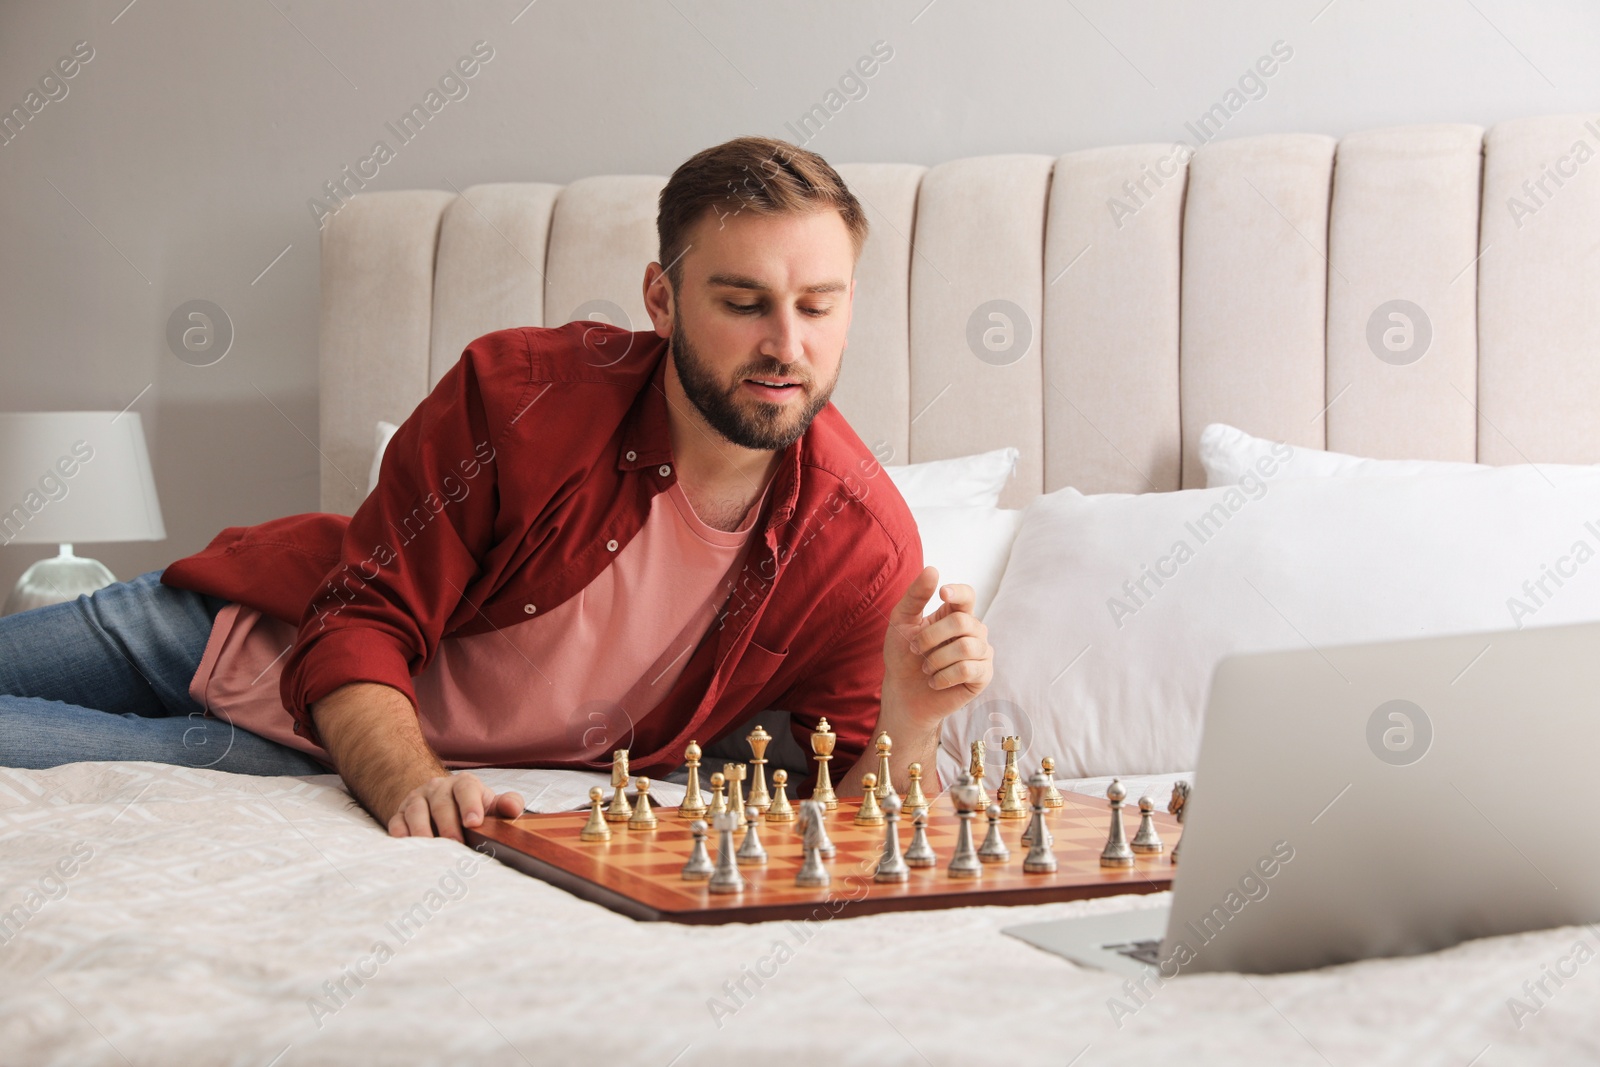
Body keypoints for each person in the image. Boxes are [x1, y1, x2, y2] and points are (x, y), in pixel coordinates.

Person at [0, 136, 994, 840]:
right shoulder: (522, 393)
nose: (787, 344)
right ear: (661, 298)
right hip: (227, 626)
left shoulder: (858, 542)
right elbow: (362, 616)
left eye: (818, 306)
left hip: (314, 748)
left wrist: (913, 712)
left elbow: (859, 812)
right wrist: (414, 780)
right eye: (743, 303)